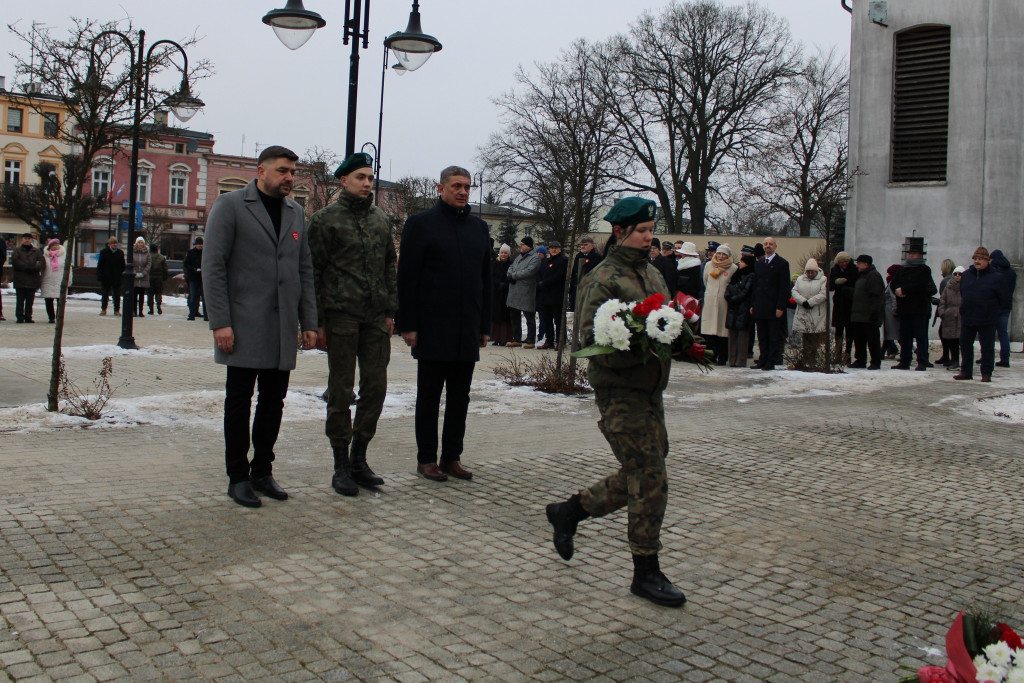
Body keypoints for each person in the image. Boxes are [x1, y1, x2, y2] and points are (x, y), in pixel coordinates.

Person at [545, 197, 685, 608]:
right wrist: (635, 342)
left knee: (646, 471)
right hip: (619, 389)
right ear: (620, 231)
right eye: (642, 230)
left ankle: (569, 512)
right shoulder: (602, 277)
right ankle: (646, 571)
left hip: (650, 389)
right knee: (649, 474)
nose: (649, 237)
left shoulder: (655, 274)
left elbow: (666, 319)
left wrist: (679, 337)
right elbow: (589, 339)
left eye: (651, 229)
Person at [202, 145, 318, 508]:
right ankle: (237, 476)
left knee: (274, 402)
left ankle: (262, 471)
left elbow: (304, 271)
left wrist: (309, 322)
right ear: (261, 170)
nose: (289, 178)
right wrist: (220, 322)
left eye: (293, 172)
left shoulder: (296, 212)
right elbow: (214, 266)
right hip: (242, 325)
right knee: (239, 402)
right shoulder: (231, 205)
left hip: (283, 326)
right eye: (283, 171)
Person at [307, 152, 397, 497]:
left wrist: (390, 311)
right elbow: (313, 272)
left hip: (375, 318)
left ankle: (360, 456)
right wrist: (317, 322)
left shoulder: (379, 220)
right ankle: (340, 464)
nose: (367, 184)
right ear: (343, 181)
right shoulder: (325, 220)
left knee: (376, 387)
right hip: (340, 316)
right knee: (342, 391)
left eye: (370, 178)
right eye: (360, 177)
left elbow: (390, 265)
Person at [397, 166, 491, 483]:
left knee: (460, 397)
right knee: (429, 396)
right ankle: (426, 459)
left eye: (467, 186)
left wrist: (484, 325)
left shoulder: (479, 228)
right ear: (441, 188)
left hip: (466, 327)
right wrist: (407, 324)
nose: (463, 191)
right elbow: (407, 278)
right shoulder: (421, 224)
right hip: (433, 326)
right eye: (456, 186)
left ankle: (451, 457)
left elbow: (485, 281)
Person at [955, 247, 1009, 383]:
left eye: (980, 259)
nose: (977, 261)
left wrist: (995, 312)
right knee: (965, 344)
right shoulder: (966, 275)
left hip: (988, 317)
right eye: (975, 259)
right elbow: (963, 293)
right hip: (968, 316)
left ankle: (986, 373)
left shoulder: (997, 277)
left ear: (987, 261)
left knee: (987, 347)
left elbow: (1004, 298)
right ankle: (966, 371)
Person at [891, 238, 937, 370]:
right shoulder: (902, 269)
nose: (911, 255)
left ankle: (922, 360)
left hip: (918, 308)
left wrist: (904, 289)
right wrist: (897, 290)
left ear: (920, 255)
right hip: (904, 308)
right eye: (910, 253)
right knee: (905, 336)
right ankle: (905, 360)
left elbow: (921, 285)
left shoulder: (924, 269)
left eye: (914, 253)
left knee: (920, 336)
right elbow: (894, 282)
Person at [751, 237, 790, 371]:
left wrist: (780, 307)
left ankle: (770, 361)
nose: (768, 246)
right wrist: (753, 304)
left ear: (775, 246)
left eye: (770, 244)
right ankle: (762, 359)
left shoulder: (782, 263)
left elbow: (784, 288)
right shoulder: (759, 264)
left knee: (773, 336)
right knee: (762, 336)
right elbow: (755, 286)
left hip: (773, 306)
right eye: (766, 244)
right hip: (760, 305)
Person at [700, 243, 737, 366]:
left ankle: (722, 357)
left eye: (724, 254)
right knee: (709, 331)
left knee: (722, 331)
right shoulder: (709, 265)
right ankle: (711, 356)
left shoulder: (733, 268)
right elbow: (706, 281)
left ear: (728, 256)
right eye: (719, 253)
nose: (721, 256)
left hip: (723, 303)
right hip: (710, 301)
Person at [790, 258, 828, 369]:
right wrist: (803, 301)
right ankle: (806, 357)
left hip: (816, 311)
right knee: (805, 335)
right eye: (808, 271)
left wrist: (810, 302)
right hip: (803, 310)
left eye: (812, 271)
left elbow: (823, 293)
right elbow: (794, 291)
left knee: (814, 336)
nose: (810, 274)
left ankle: (813, 357)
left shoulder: (823, 280)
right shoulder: (800, 279)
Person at [848, 254, 885, 369]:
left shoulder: (874, 276)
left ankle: (875, 361)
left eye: (859, 263)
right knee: (859, 339)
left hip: (869, 315)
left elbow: (877, 296)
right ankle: (860, 360)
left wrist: (874, 313)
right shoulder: (861, 275)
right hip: (859, 315)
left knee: (872, 340)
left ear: (866, 264)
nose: (857, 265)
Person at [506, 236, 542, 349]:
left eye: (523, 244)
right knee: (514, 316)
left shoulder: (535, 257)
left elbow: (530, 271)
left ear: (529, 246)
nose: (521, 246)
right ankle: (516, 339)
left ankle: (531, 340)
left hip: (526, 290)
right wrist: (509, 274)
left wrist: (514, 276)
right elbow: (511, 266)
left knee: (529, 316)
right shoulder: (519, 256)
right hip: (514, 290)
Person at [725, 253, 756, 367]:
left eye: (742, 262)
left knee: (742, 336)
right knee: (732, 335)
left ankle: (740, 360)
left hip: (743, 307)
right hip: (733, 307)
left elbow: (746, 291)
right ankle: (732, 359)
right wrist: (728, 297)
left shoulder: (751, 275)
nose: (740, 264)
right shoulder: (736, 274)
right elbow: (729, 287)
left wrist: (734, 298)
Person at [536, 240, 568, 349]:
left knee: (558, 320)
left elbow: (560, 275)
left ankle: (560, 341)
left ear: (560, 249)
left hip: (556, 295)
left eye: (556, 248)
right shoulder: (545, 261)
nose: (554, 250)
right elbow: (539, 273)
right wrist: (540, 282)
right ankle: (549, 340)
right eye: (552, 248)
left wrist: (545, 282)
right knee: (547, 319)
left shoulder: (563, 260)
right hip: (545, 295)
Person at [829, 252, 859, 362]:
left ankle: (847, 354)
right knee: (838, 330)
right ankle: (837, 354)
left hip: (850, 303)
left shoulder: (854, 270)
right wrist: (835, 282)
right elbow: (830, 286)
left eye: (846, 261)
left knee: (850, 331)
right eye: (842, 262)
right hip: (838, 304)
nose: (844, 264)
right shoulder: (834, 270)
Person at [989, 249, 1016, 368]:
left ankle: (987, 356)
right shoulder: (1011, 272)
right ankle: (1005, 359)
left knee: (988, 333)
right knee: (1003, 333)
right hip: (1006, 306)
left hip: (994, 306)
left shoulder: (993, 271)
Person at [11, 233, 45, 324]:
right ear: (22, 239)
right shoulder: (17, 250)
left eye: (29, 238)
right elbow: (15, 261)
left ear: (31, 240)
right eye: (25, 238)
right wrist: (26, 267)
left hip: (32, 279)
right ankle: (19, 317)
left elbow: (41, 262)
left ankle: (28, 316)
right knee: (20, 300)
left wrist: (35, 267)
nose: (27, 240)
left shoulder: (36, 251)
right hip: (20, 279)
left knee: (30, 301)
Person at [937, 266, 964, 372]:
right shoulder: (948, 286)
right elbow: (942, 300)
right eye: (955, 274)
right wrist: (943, 313)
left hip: (962, 316)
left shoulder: (966, 286)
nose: (957, 276)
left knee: (961, 341)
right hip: (950, 317)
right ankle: (954, 360)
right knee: (951, 341)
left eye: (960, 274)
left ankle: (962, 361)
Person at [567, 235, 603, 312]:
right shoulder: (578, 256)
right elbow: (574, 273)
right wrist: (571, 292)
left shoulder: (597, 258)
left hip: (589, 290)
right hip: (577, 290)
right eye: (582, 245)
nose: (583, 247)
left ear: (592, 246)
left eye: (585, 245)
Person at [40, 238, 70, 324]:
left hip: (60, 280)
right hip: (47, 280)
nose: (55, 246)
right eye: (53, 245)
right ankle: (51, 317)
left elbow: (69, 269)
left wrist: (69, 280)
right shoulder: (45, 256)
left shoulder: (64, 255)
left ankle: (59, 317)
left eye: (56, 245)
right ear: (49, 247)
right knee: (48, 300)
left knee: (60, 300)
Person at [491, 244, 514, 345]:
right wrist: (497, 284)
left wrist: (505, 284)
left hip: (507, 292)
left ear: (508, 254)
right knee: (496, 315)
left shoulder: (511, 264)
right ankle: (496, 338)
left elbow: (511, 276)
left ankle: (505, 338)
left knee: (505, 315)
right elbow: (491, 276)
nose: (503, 254)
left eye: (505, 253)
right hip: (496, 292)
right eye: (502, 252)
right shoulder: (495, 264)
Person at [96, 236, 125, 316]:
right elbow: (100, 265)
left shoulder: (120, 253)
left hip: (117, 277)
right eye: (113, 243)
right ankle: (103, 309)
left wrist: (122, 275)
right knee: (105, 294)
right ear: (109, 244)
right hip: (106, 277)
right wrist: (100, 275)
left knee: (116, 295)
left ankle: (116, 310)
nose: (115, 245)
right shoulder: (104, 252)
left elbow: (123, 265)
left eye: (116, 243)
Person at [183, 237, 207, 321]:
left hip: (203, 278)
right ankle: (191, 314)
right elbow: (186, 263)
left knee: (205, 297)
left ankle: (206, 315)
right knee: (193, 297)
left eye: (202, 244)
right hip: (193, 277)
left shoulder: (205, 253)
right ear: (195, 244)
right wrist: (193, 269)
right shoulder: (190, 253)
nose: (200, 246)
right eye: (199, 244)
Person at [882, 264, 901, 359]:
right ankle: (890, 350)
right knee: (891, 334)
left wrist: (895, 310)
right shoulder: (892, 283)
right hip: (889, 312)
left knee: (892, 334)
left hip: (891, 313)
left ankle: (883, 352)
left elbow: (894, 298)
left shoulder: (892, 283)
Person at [132, 237, 151, 318]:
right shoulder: (132, 252)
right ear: (136, 243)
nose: (140, 244)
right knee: (134, 295)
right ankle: (134, 311)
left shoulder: (147, 253)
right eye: (139, 242)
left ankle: (141, 311)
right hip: (134, 277)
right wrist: (134, 273)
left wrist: (143, 273)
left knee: (142, 295)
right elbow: (130, 263)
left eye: (142, 242)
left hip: (143, 277)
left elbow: (149, 264)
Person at [147, 243, 167, 315]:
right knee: (158, 292)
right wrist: (164, 278)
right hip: (159, 278)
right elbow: (165, 269)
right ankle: (158, 305)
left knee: (150, 293)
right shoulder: (161, 257)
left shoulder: (148, 256)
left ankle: (151, 309)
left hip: (150, 277)